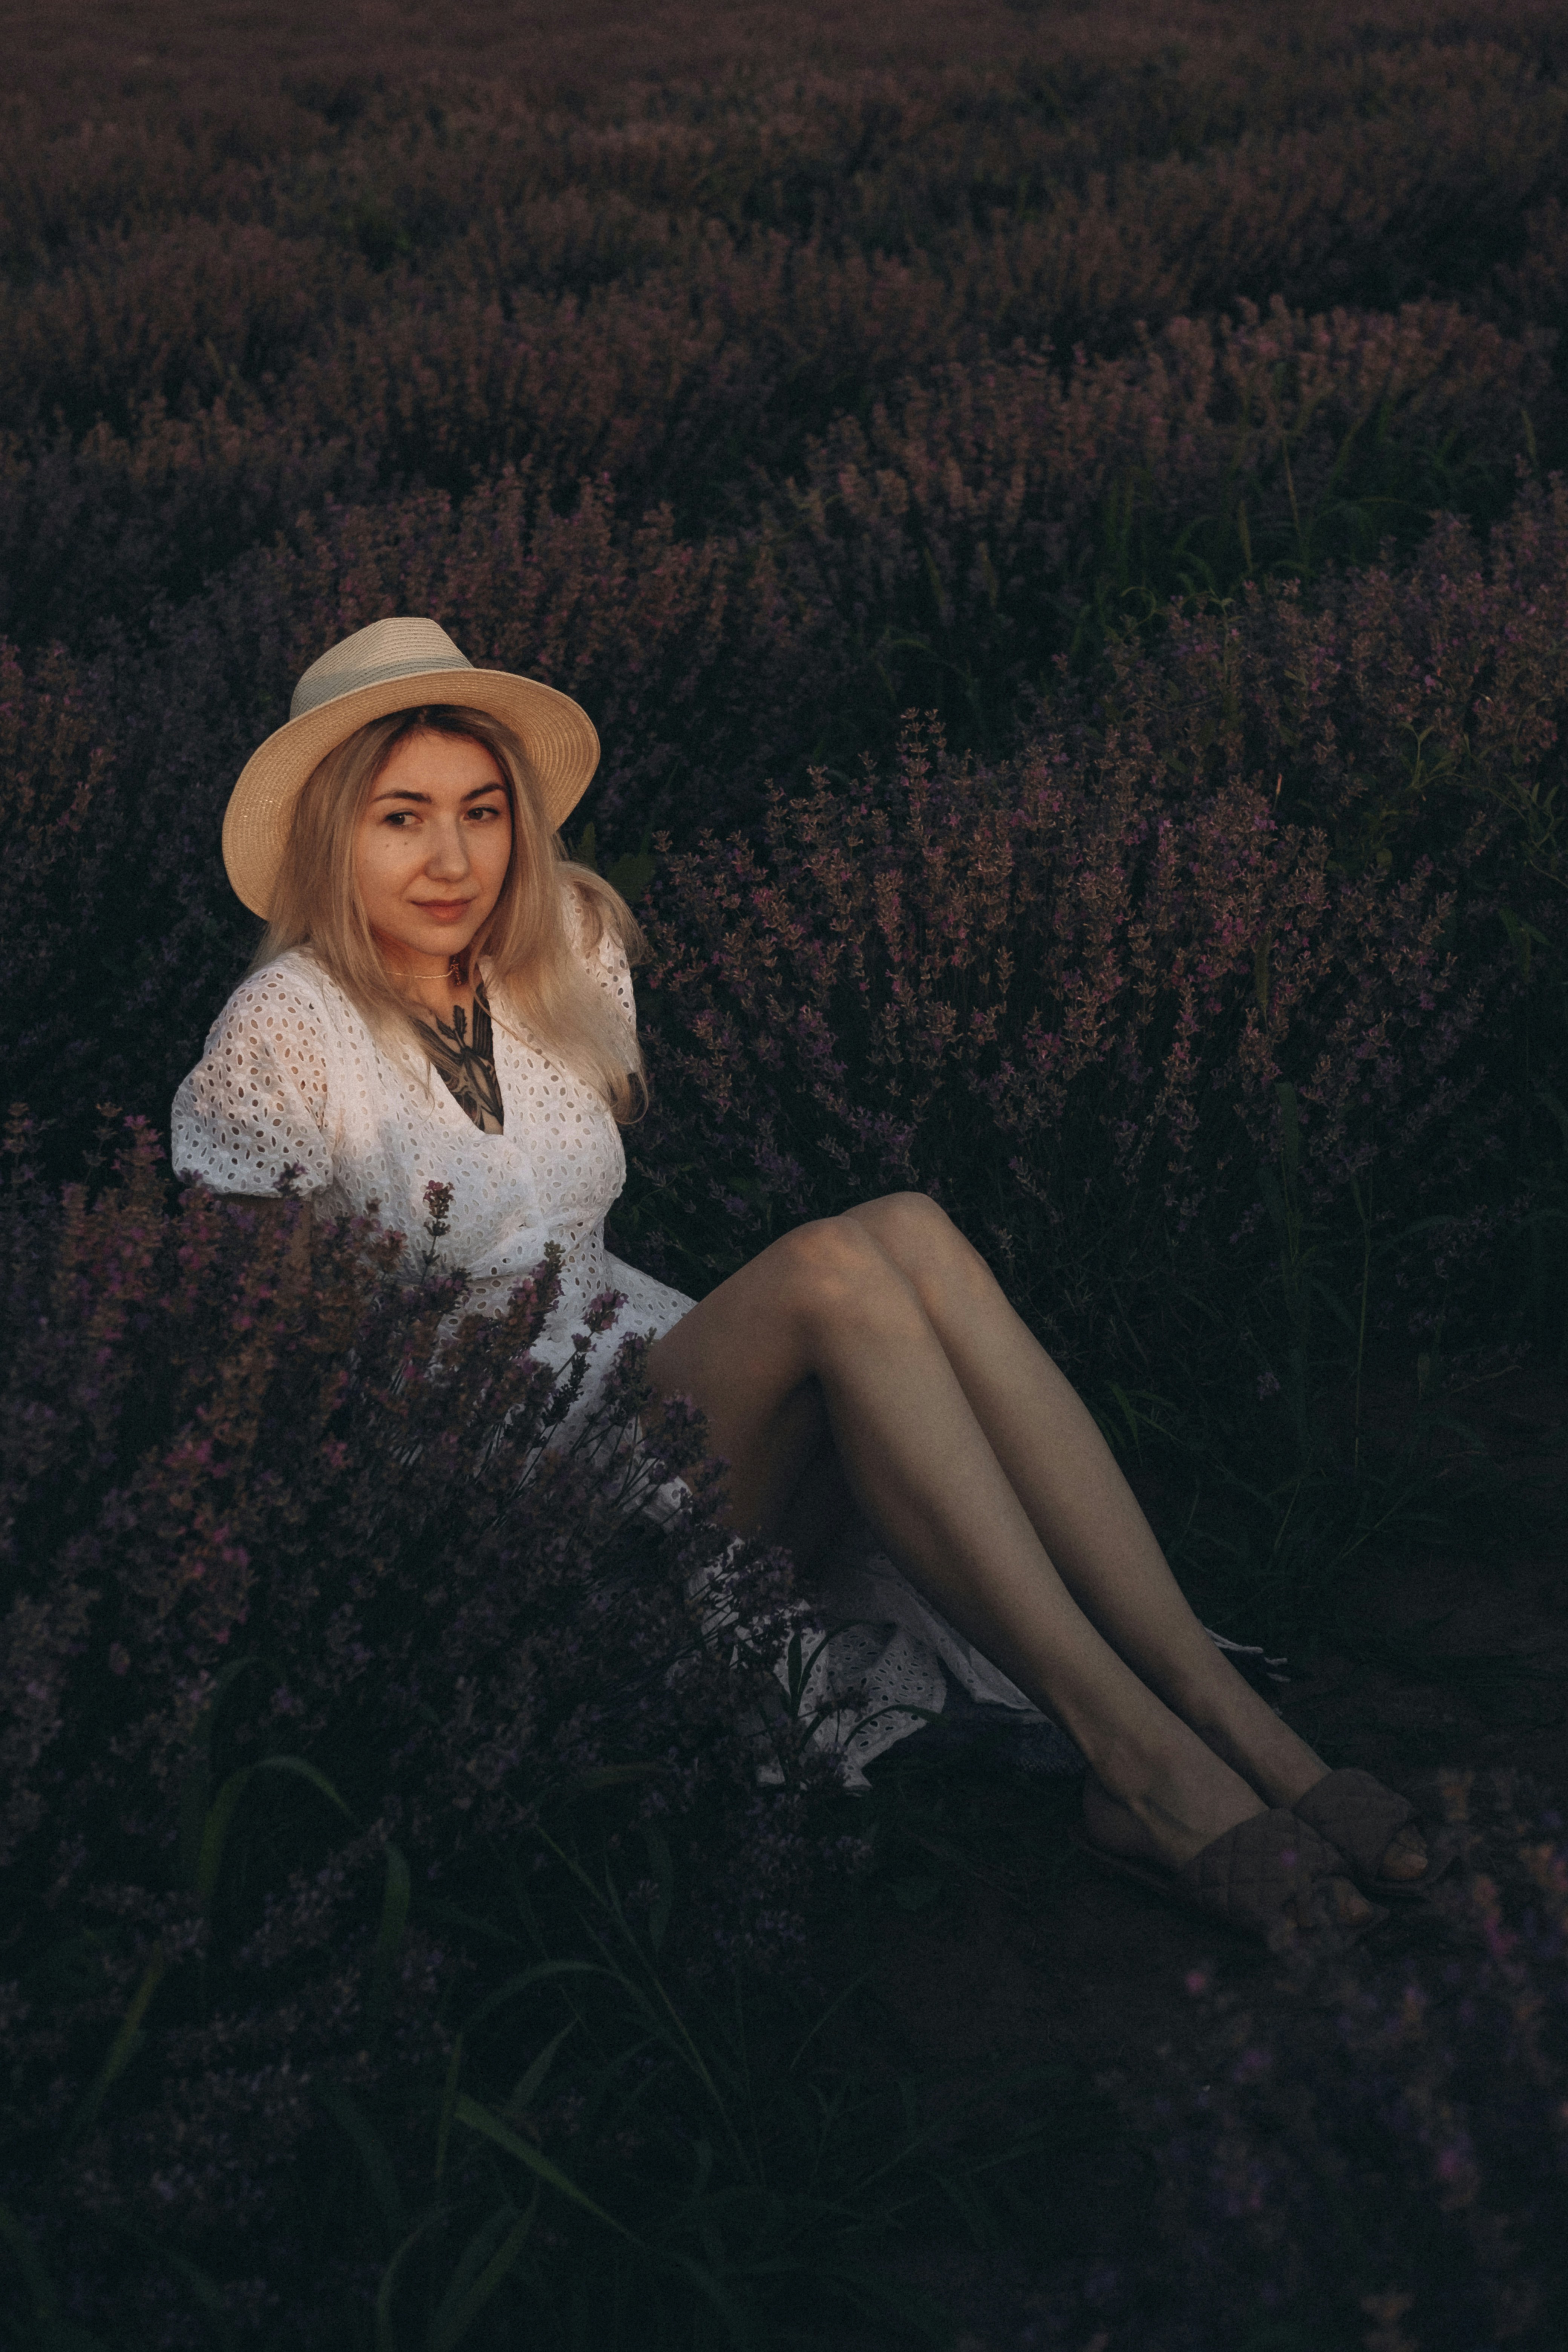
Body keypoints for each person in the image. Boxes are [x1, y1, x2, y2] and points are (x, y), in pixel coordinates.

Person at [174, 618, 1449, 1946]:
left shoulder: (553, 957)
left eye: (483, 812)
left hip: (642, 1399)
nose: (454, 858)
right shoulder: (285, 1032)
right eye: (402, 818)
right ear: (331, 833)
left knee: (908, 1225)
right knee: (838, 1266)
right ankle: (1146, 1768)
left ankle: (1227, 1717)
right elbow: (265, 1354)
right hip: (512, 1507)